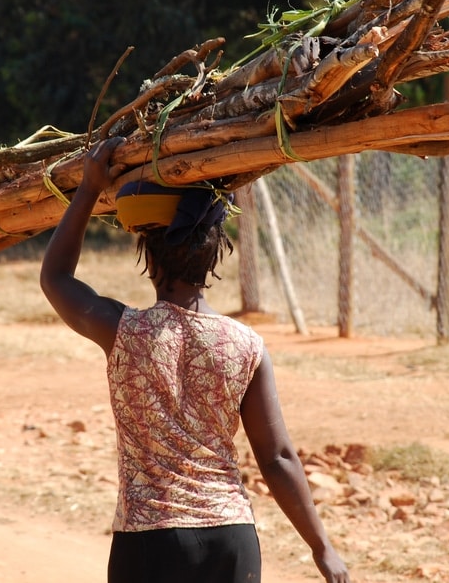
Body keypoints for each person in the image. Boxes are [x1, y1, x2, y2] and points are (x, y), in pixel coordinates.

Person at [39, 136, 349, 583]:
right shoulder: (246, 346)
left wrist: (88, 189)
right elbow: (277, 457)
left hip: (150, 541)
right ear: (213, 256)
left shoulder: (123, 331)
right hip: (231, 539)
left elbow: (55, 277)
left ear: (149, 253)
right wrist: (323, 548)